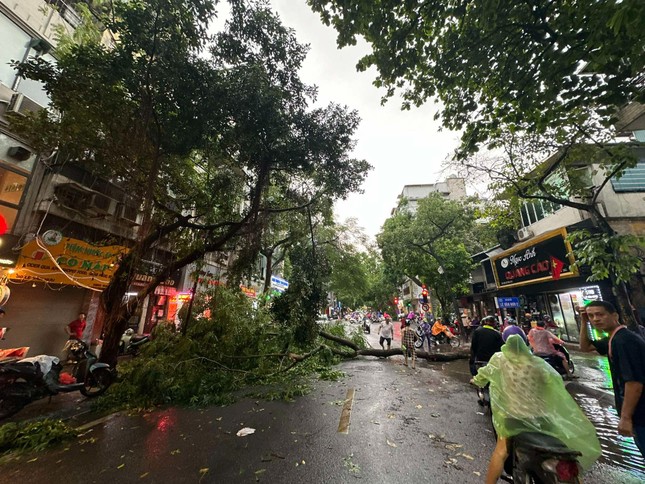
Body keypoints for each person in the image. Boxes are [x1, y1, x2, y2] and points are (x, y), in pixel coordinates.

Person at [471, 334, 601, 484]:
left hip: (514, 417)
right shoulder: (538, 363)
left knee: (501, 452)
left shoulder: (500, 359)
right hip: (543, 417)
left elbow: (483, 375)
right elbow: (553, 385)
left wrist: (475, 380)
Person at [579, 301, 645, 457]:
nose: (595, 319)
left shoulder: (623, 341)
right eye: (591, 316)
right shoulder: (614, 338)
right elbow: (585, 347)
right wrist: (583, 321)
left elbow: (634, 383)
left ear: (614, 315)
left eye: (600, 314)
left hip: (642, 413)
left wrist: (625, 417)